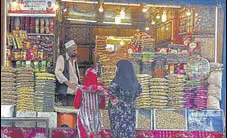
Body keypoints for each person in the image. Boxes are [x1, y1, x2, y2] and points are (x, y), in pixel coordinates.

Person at [74, 68, 117, 138]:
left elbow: (76, 105)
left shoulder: (81, 89)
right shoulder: (101, 90)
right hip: (96, 120)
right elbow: (102, 106)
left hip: (84, 120)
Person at [108, 60, 142, 138]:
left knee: (118, 133)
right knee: (129, 132)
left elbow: (111, 94)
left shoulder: (116, 82)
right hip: (130, 113)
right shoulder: (135, 83)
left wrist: (117, 100)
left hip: (118, 114)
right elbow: (138, 92)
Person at [55, 40, 81, 106]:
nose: (76, 52)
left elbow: (75, 74)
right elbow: (58, 72)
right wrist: (68, 83)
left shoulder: (74, 61)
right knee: (65, 111)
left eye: (76, 50)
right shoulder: (62, 58)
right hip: (65, 92)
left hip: (73, 92)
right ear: (68, 50)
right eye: (74, 50)